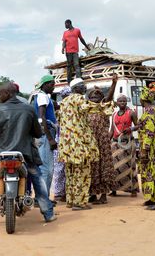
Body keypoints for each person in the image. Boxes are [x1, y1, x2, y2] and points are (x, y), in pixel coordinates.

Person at [0, 82, 56, 225]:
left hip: (2, 153)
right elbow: (38, 133)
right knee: (38, 179)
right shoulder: (29, 109)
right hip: (26, 154)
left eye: (0, 93)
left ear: (8, 93)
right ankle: (48, 214)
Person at [59, 75, 117, 210]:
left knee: (71, 173)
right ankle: (79, 203)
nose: (85, 88)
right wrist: (104, 105)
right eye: (83, 86)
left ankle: (71, 200)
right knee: (82, 173)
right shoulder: (80, 100)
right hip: (80, 144)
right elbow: (96, 108)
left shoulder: (64, 102)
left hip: (67, 145)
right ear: (78, 88)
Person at [137, 87, 155, 210]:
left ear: (142, 99)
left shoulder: (149, 113)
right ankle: (153, 198)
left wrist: (144, 150)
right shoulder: (152, 110)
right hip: (154, 144)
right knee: (150, 171)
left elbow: (150, 132)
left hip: (153, 145)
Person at [87, 87, 116, 205]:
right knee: (92, 166)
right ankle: (93, 194)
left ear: (101, 99)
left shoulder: (104, 107)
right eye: (92, 97)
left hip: (103, 141)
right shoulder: (87, 109)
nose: (94, 99)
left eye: (97, 97)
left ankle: (103, 195)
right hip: (91, 141)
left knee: (104, 166)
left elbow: (109, 98)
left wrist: (114, 83)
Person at [109, 94, 139, 197]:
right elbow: (112, 130)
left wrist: (131, 129)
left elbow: (138, 125)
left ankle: (133, 189)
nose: (122, 103)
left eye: (124, 101)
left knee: (130, 166)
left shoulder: (131, 113)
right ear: (117, 103)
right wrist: (107, 142)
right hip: (116, 143)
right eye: (120, 101)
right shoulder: (114, 115)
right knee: (115, 167)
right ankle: (114, 190)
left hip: (128, 142)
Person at [34, 74, 58, 197]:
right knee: (46, 169)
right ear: (44, 85)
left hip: (45, 133)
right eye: (51, 84)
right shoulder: (42, 97)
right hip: (45, 133)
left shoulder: (44, 97)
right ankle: (42, 199)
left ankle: (43, 197)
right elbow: (41, 117)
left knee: (46, 168)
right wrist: (50, 139)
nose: (53, 86)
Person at [53, 87, 71, 202]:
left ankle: (67, 192)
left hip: (70, 140)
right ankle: (59, 193)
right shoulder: (59, 109)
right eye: (64, 96)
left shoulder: (72, 107)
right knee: (60, 168)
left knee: (68, 167)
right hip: (61, 139)